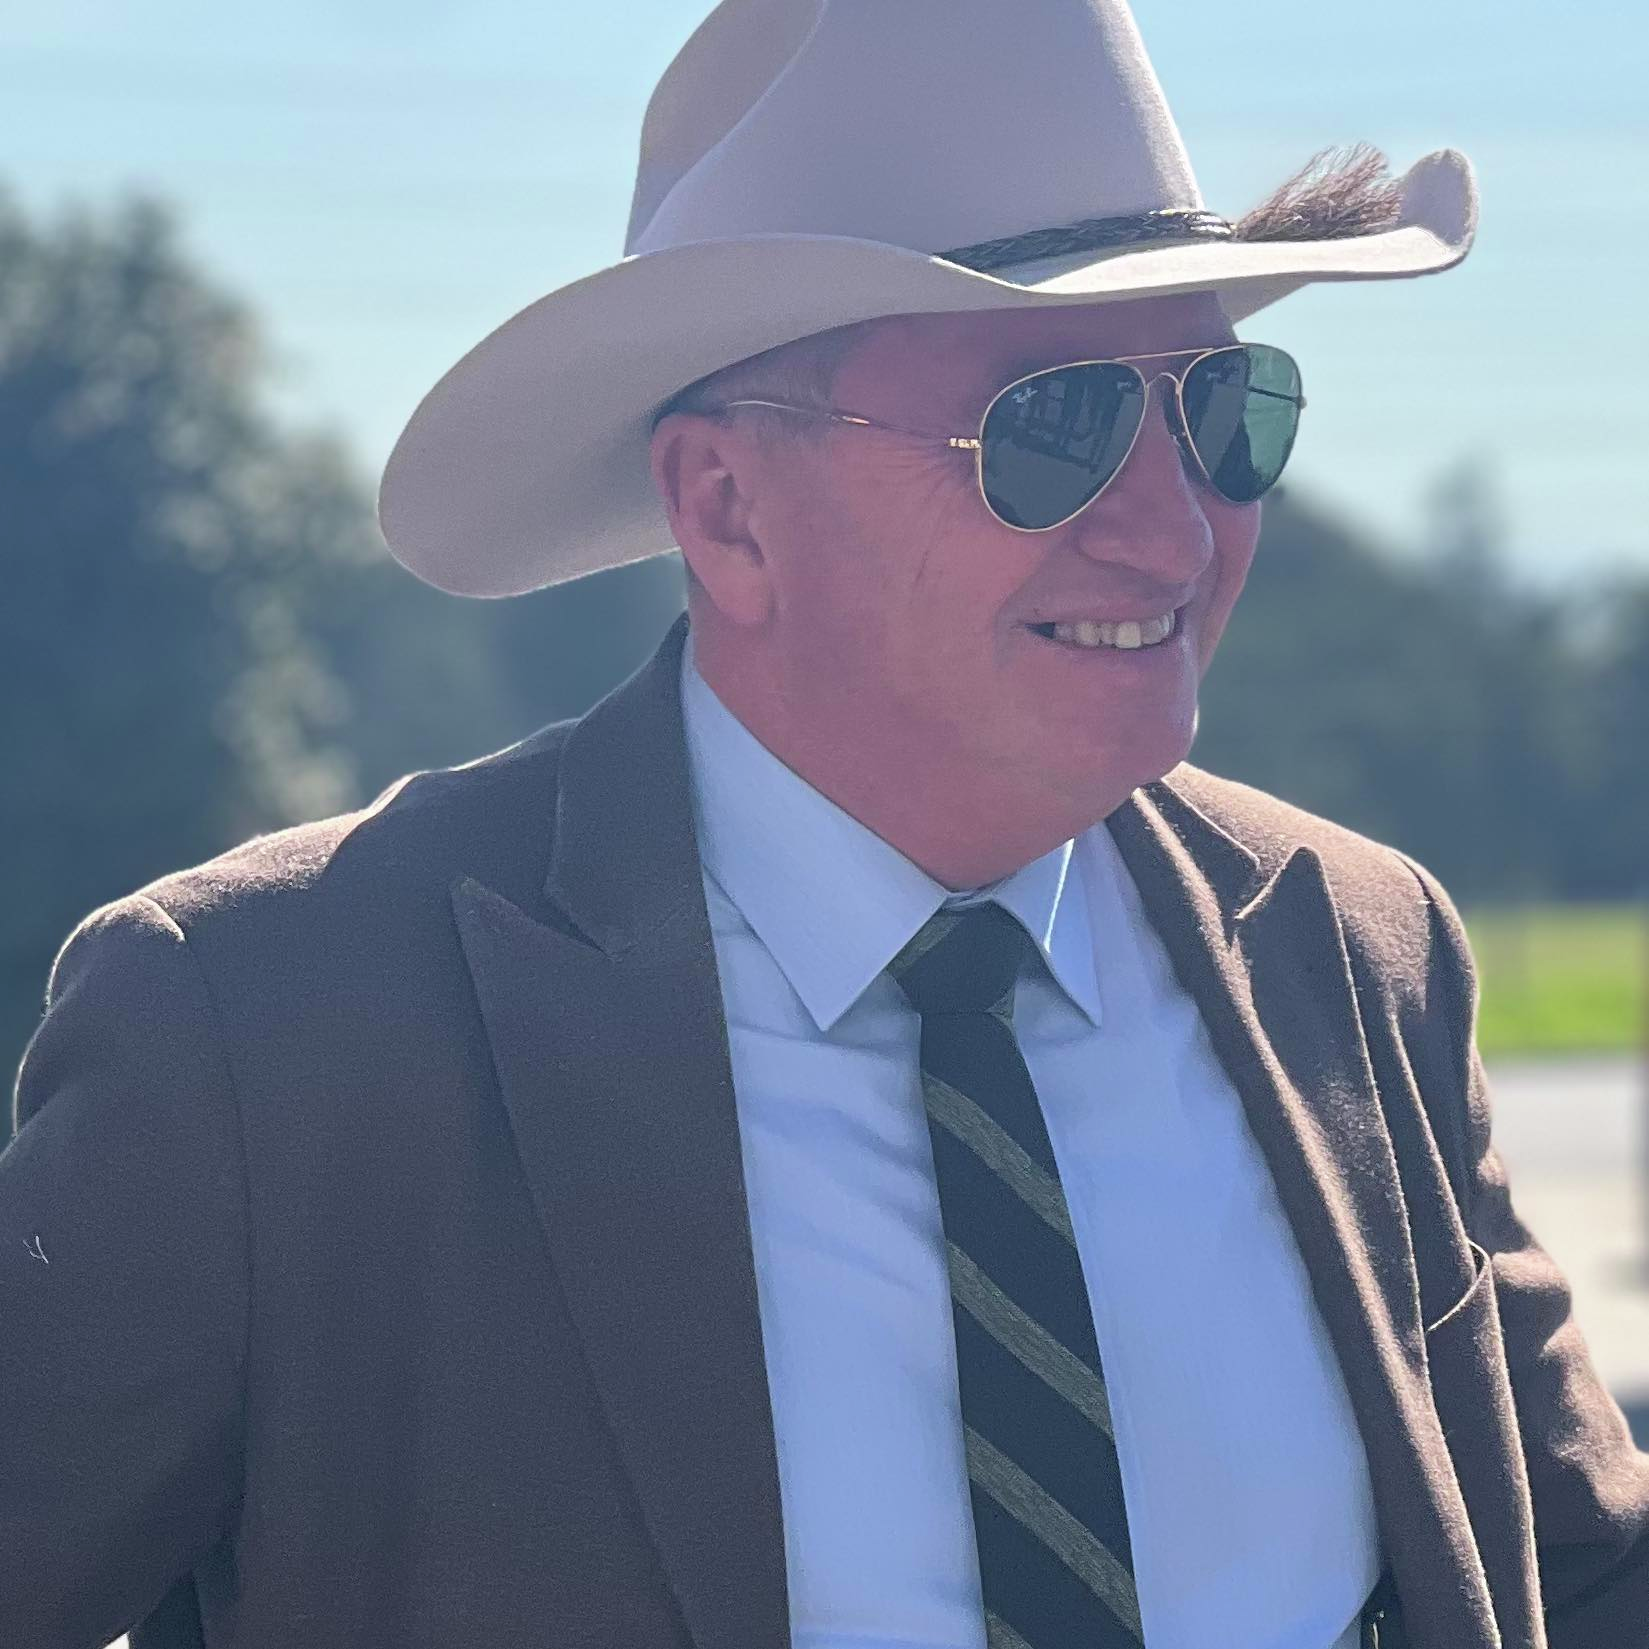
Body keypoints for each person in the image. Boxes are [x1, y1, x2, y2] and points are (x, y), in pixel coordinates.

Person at [4, 1, 1646, 1645]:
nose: (1176, 532)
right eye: (1056, 425)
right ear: (725, 505)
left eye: (1227, 409)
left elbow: (1580, 1575)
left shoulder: (1354, 951)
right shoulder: (265, 1032)